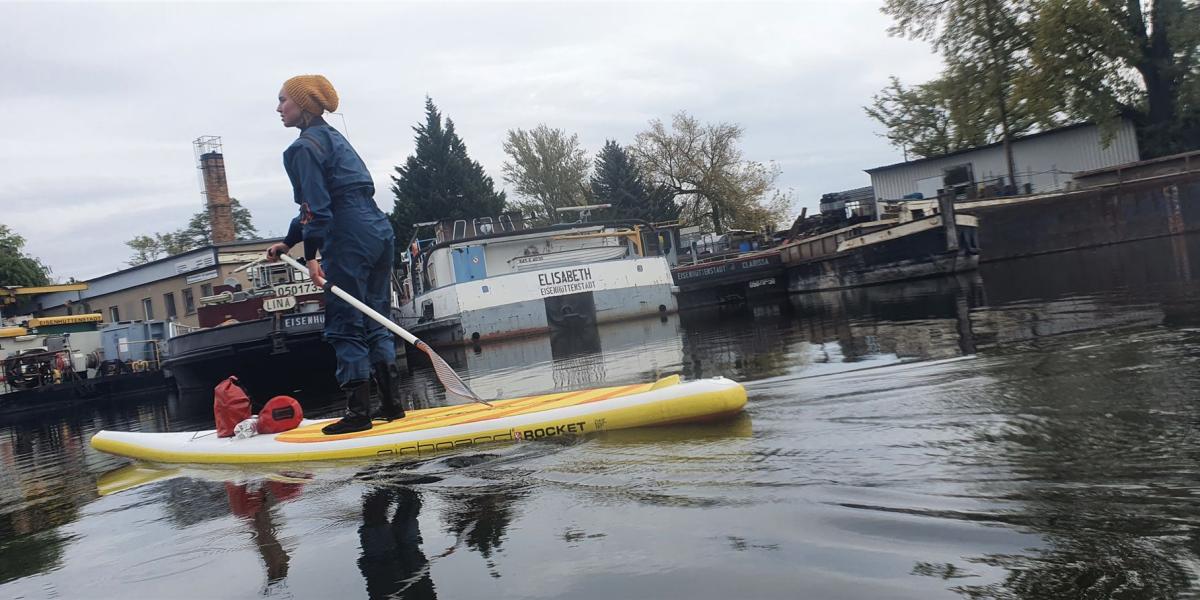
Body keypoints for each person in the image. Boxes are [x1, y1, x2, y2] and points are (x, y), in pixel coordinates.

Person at [265, 74, 404, 435]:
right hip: (378, 229)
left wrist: (311, 255)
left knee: (344, 324)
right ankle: (392, 405)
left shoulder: (301, 149)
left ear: (304, 105)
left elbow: (317, 209)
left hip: (348, 237)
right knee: (375, 317)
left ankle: (358, 414)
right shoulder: (335, 139)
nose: (278, 108)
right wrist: (288, 242)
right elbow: (324, 204)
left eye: (283, 100)